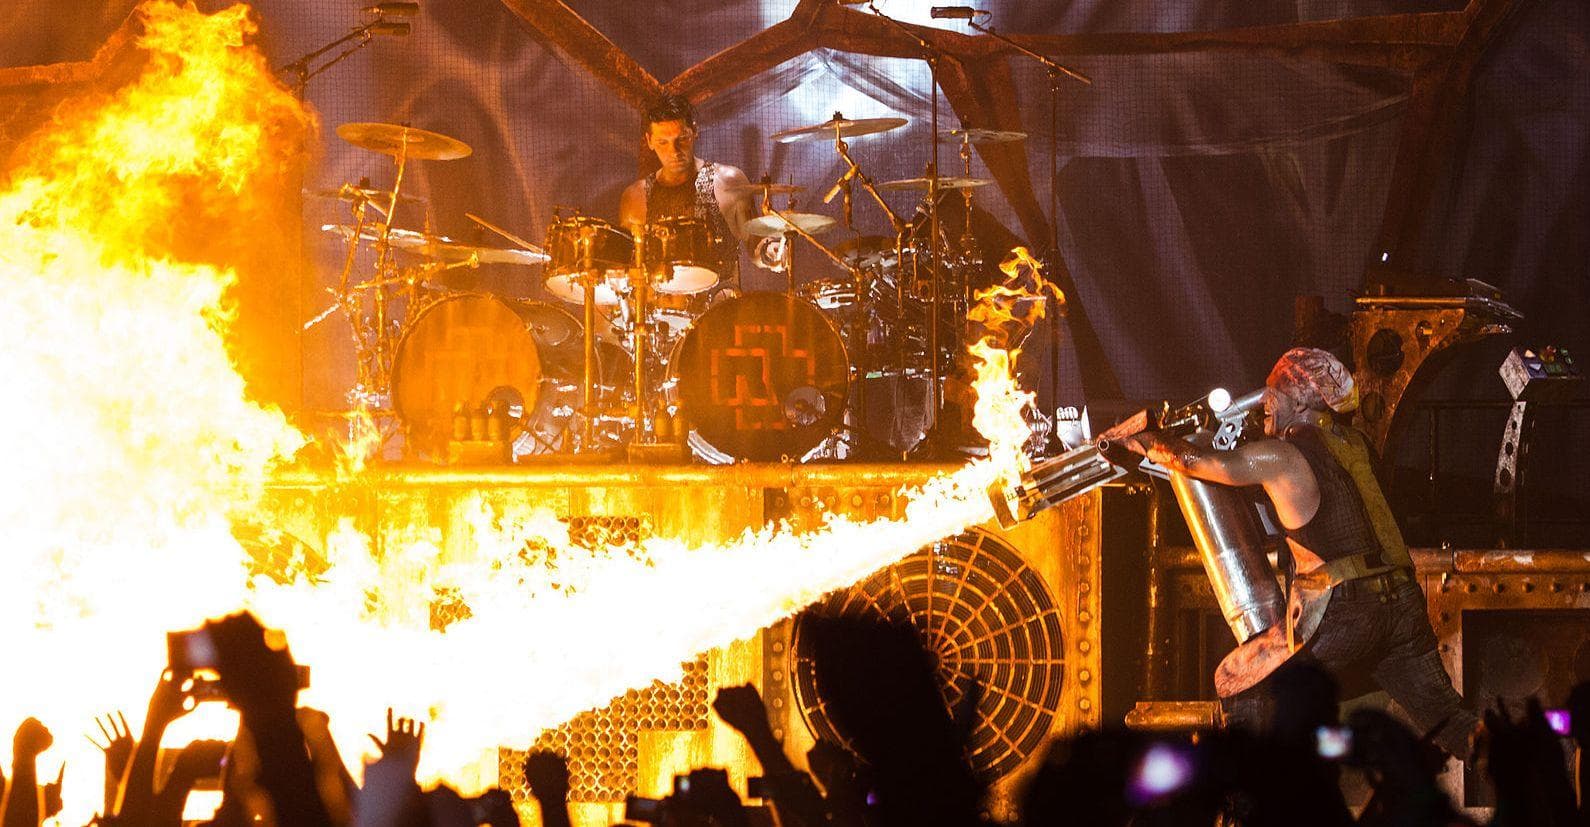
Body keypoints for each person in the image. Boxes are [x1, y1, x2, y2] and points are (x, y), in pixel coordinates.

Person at [1115, 347, 1478, 758]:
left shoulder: (1283, 456)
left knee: (1241, 682)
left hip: (1347, 612)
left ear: (1303, 402)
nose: (1265, 403)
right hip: (1402, 606)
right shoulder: (1355, 446)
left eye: (1274, 393)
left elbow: (1197, 461)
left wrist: (1146, 439)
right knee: (1452, 722)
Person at [619, 93, 754, 295]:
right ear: (649, 141)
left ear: (695, 131)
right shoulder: (634, 198)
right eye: (663, 142)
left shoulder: (730, 182)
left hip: (722, 307)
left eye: (682, 139)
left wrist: (772, 251)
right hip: (658, 311)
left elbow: (757, 246)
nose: (674, 151)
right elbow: (625, 268)